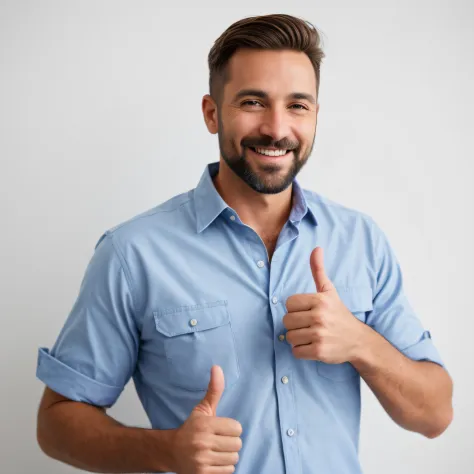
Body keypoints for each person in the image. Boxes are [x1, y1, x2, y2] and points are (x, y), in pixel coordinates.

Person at [36, 13, 453, 474]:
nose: (276, 128)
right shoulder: (131, 255)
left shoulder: (361, 241)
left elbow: (435, 415)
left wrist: (361, 343)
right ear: (212, 113)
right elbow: (56, 424)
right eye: (253, 102)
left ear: (315, 115)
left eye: (298, 105)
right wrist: (165, 450)